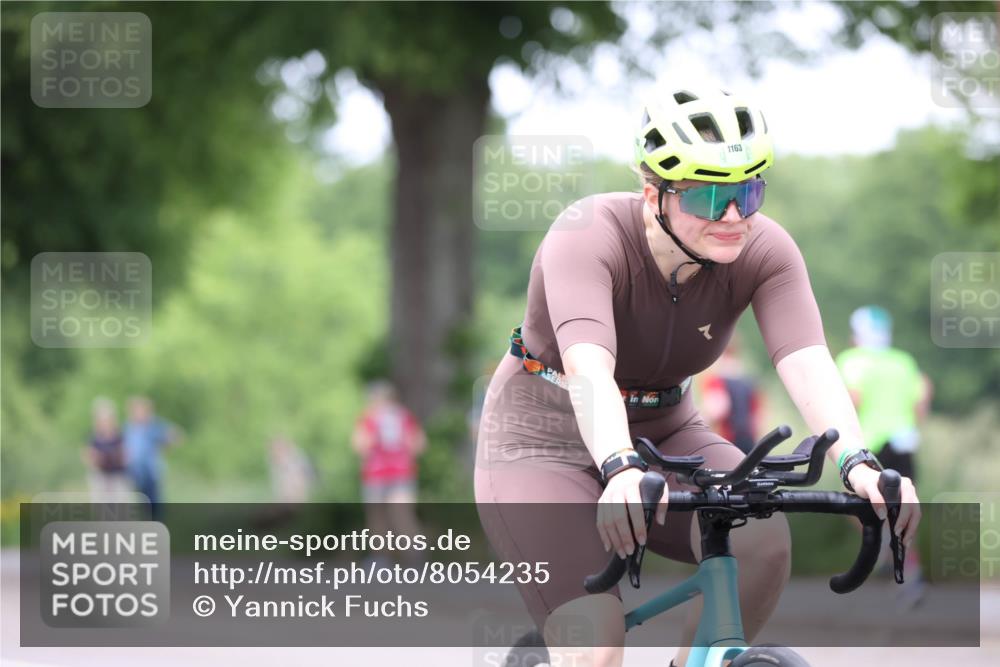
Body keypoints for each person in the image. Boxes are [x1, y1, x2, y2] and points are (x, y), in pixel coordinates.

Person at [474, 86, 921, 667]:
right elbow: (589, 367)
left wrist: (859, 461)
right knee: (597, 638)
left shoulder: (765, 248)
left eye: (748, 190)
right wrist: (617, 464)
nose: (735, 215)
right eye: (710, 196)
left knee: (762, 540)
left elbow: (808, 360)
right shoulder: (586, 235)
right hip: (539, 443)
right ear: (652, 192)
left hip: (665, 430)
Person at [836, 305, 932, 608]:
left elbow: (852, 398)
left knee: (853, 503)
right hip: (904, 442)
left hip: (870, 444)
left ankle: (879, 546)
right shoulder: (903, 362)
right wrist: (913, 425)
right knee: (903, 509)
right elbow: (922, 395)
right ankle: (905, 569)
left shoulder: (851, 360)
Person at [352, 380, 426, 564]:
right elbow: (419, 445)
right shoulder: (404, 417)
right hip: (400, 472)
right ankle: (413, 557)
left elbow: (359, 445)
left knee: (379, 518)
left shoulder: (369, 418)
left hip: (378, 474)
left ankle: (383, 559)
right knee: (401, 515)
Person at [697, 336, 765, 454]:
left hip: (725, 443)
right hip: (749, 444)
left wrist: (693, 421)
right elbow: (758, 419)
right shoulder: (749, 380)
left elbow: (718, 409)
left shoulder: (716, 379)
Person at [123, 396, 181, 521]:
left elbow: (175, 435)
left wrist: (165, 447)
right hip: (134, 470)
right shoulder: (128, 427)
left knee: (154, 500)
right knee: (141, 500)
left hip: (151, 470)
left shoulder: (154, 426)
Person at [82, 397, 131, 499]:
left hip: (118, 475)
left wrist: (119, 457)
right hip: (101, 475)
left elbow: (127, 455)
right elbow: (88, 456)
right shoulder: (93, 437)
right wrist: (96, 459)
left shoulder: (121, 436)